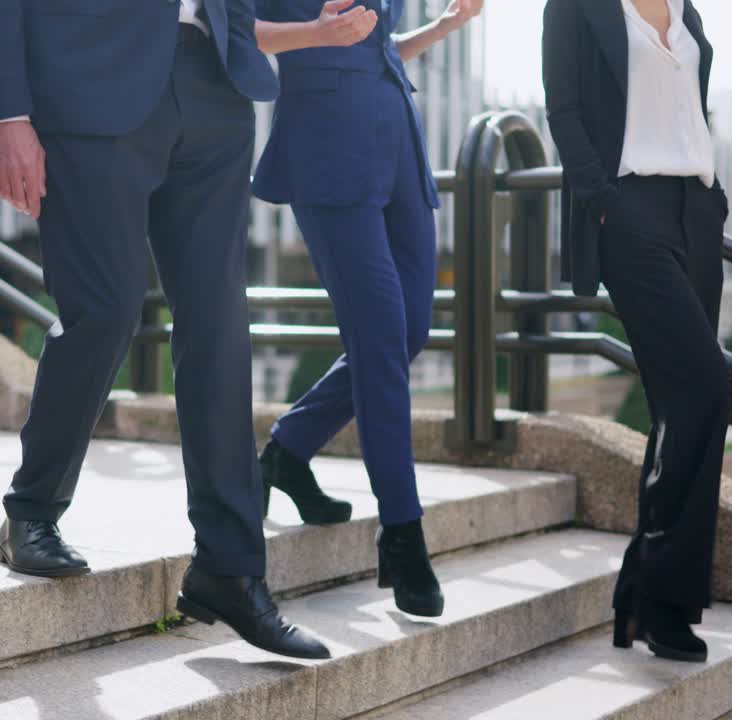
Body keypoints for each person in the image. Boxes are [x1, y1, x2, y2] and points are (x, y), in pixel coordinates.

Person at [0, 0, 328, 660]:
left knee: (219, 329)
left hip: (213, 80)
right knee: (105, 307)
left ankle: (230, 566)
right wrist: (6, 111)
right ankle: (32, 510)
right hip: (86, 77)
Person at [250, 0, 483, 617]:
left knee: (407, 334)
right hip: (326, 150)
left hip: (399, 144)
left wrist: (444, 27)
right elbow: (237, 31)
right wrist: (316, 32)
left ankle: (287, 451)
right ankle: (403, 535)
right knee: (381, 342)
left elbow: (372, 46)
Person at [542, 0, 731, 663]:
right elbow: (562, 110)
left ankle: (640, 593)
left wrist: (713, 201)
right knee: (711, 390)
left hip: (695, 214)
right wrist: (601, 203)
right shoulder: (574, 7)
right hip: (631, 214)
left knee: (679, 409)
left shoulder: (687, 11)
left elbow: (690, 107)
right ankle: (664, 598)